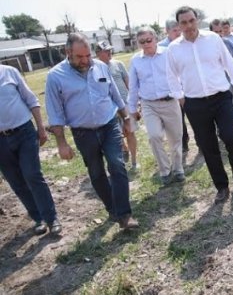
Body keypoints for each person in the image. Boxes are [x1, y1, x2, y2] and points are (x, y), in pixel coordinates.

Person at [45, 32, 138, 230]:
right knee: (96, 173)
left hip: (109, 124)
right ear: (67, 52)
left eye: (88, 56)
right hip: (82, 133)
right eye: (80, 57)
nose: (86, 61)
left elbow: (115, 95)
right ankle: (112, 208)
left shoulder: (101, 67)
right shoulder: (55, 76)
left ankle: (124, 215)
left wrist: (126, 118)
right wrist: (62, 143)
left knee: (117, 164)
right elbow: (55, 113)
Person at [166, 6, 233, 203]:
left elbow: (229, 63)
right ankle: (222, 186)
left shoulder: (213, 39)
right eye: (183, 22)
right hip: (195, 104)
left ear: (197, 19)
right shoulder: (173, 49)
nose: (188, 25)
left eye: (191, 20)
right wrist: (181, 97)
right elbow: (171, 76)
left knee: (232, 137)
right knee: (208, 147)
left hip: (221, 97)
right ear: (179, 25)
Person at [0, 64, 62, 235]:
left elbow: (31, 100)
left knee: (32, 174)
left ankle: (51, 218)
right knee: (15, 181)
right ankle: (38, 218)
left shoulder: (9, 72)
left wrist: (41, 128)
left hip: (23, 132)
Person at [128, 27, 184, 185]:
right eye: (142, 42)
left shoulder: (168, 53)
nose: (146, 44)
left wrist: (182, 95)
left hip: (170, 101)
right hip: (149, 104)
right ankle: (165, 170)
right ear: (138, 43)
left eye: (149, 40)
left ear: (155, 39)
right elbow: (133, 87)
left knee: (176, 137)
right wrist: (132, 110)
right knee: (154, 136)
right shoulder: (136, 60)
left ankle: (178, 168)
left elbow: (180, 75)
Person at [95, 40, 139, 172]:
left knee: (130, 132)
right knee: (117, 136)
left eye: (110, 50)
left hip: (124, 104)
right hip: (109, 108)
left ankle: (134, 161)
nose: (109, 53)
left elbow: (129, 83)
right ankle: (124, 149)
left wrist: (134, 101)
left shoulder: (118, 65)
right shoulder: (95, 69)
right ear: (98, 53)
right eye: (106, 51)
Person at [158, 19, 191, 153]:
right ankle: (184, 142)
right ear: (167, 31)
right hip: (172, 89)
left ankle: (201, 142)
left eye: (179, 29)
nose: (178, 33)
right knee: (179, 118)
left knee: (194, 115)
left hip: (188, 85)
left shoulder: (186, 42)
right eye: (175, 30)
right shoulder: (161, 47)